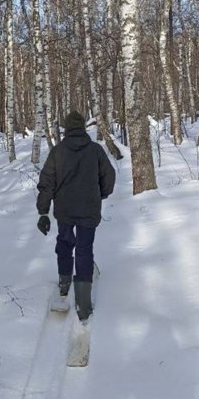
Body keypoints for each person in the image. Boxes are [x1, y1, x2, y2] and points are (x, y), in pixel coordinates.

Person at [36, 110, 116, 321]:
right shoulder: (95, 150)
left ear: (67, 129)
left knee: (64, 244)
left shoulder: (58, 152)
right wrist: (101, 193)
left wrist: (43, 212)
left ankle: (64, 284)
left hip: (64, 210)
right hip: (89, 209)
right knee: (84, 249)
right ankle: (83, 304)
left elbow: (46, 183)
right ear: (82, 128)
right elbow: (109, 176)